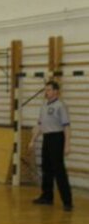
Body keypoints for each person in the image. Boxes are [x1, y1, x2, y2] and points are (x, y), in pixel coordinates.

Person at [29, 80, 73, 211]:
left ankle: (67, 202)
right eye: (45, 90)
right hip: (47, 138)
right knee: (46, 168)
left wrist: (67, 144)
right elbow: (40, 125)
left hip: (57, 138)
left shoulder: (60, 106)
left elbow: (66, 127)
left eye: (48, 90)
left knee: (59, 170)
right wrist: (33, 140)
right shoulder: (43, 106)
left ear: (55, 91)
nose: (46, 92)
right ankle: (47, 197)